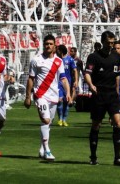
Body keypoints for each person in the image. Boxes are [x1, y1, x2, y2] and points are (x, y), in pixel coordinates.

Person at [24, 34, 72, 162]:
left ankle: (41, 148)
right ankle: (47, 150)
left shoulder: (59, 61)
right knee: (45, 120)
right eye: (46, 44)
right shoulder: (36, 60)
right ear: (43, 45)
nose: (48, 46)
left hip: (54, 96)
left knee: (48, 123)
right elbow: (30, 79)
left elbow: (63, 78)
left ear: (55, 46)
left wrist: (68, 93)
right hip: (40, 95)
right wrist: (28, 96)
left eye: (51, 44)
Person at [85, 31, 120, 166]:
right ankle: (93, 156)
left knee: (118, 123)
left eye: (112, 42)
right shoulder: (94, 57)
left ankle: (117, 157)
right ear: (103, 41)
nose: (111, 45)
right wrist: (91, 85)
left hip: (112, 95)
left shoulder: (116, 56)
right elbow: (87, 73)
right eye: (108, 42)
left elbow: (117, 75)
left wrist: (117, 92)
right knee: (96, 125)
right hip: (99, 94)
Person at [56, 44, 78, 126]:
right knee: (59, 100)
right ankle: (60, 118)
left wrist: (76, 81)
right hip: (58, 83)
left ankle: (64, 119)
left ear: (61, 51)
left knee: (66, 102)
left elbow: (75, 70)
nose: (56, 51)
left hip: (67, 83)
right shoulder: (56, 59)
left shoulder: (70, 60)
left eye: (58, 50)